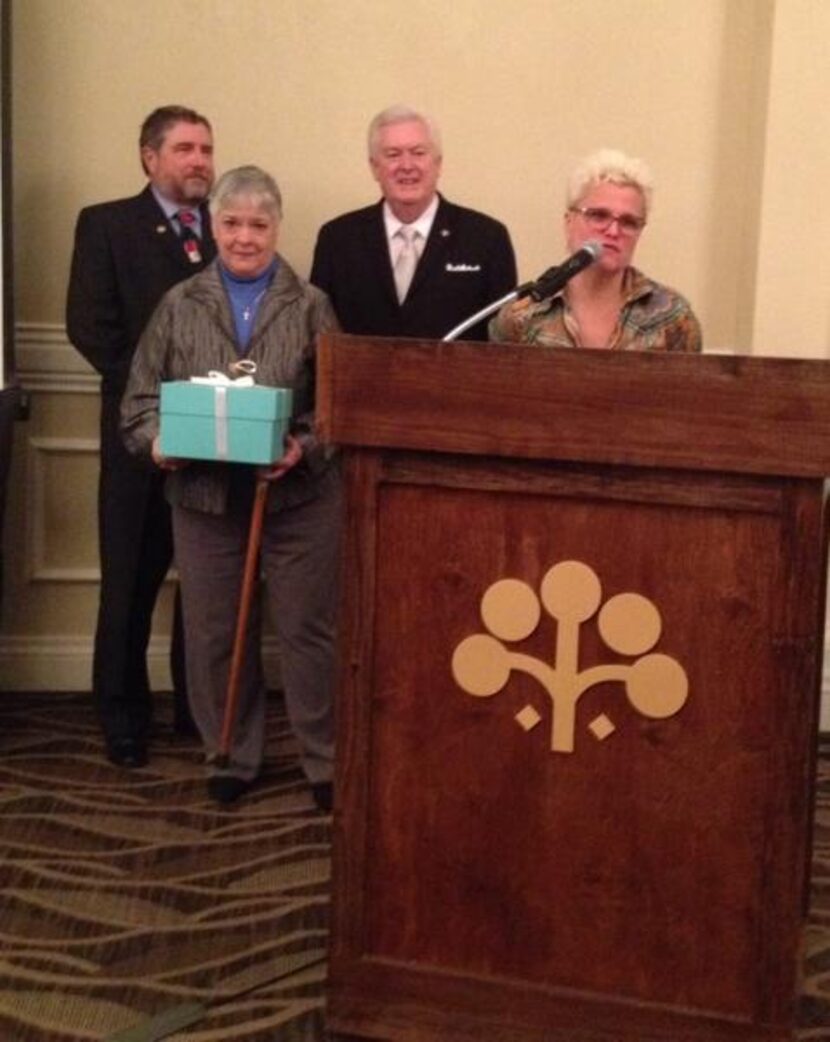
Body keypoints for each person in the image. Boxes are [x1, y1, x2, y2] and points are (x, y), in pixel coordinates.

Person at [121, 165, 341, 810]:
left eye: (259, 225)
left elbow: (339, 407)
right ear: (213, 225)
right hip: (205, 501)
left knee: (309, 632)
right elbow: (136, 404)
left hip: (298, 500)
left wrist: (302, 445)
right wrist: (159, 441)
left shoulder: (312, 304)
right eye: (232, 223)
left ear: (276, 228)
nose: (244, 238)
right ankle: (228, 753)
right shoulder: (179, 303)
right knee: (217, 633)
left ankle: (324, 761)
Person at [66, 105, 217, 769]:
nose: (199, 161)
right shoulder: (106, 225)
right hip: (138, 439)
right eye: (184, 148)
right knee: (128, 582)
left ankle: (196, 710)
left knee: (204, 581)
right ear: (149, 157)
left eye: (206, 148)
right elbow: (91, 329)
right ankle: (124, 717)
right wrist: (162, 404)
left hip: (215, 438)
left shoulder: (230, 228)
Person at [310, 104, 517, 341]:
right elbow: (321, 341)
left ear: (438, 164)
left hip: (454, 378)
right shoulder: (337, 240)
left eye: (418, 153)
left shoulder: (487, 239)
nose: (407, 166)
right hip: (361, 378)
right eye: (393, 154)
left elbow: (503, 343)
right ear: (375, 167)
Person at [489, 148, 702, 352]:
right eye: (598, 215)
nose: (613, 230)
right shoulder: (523, 315)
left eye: (629, 222)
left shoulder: (672, 316)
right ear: (569, 222)